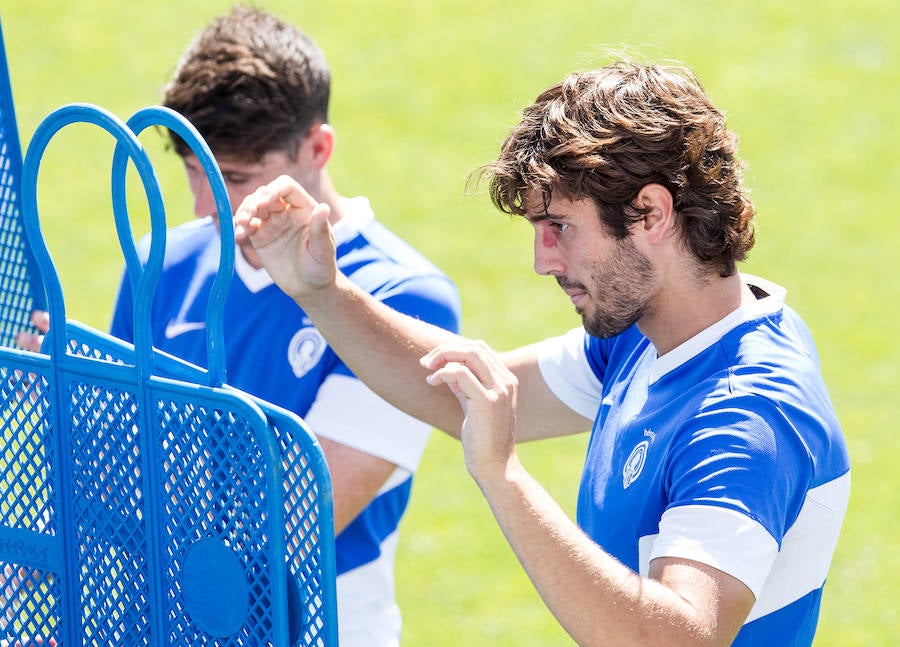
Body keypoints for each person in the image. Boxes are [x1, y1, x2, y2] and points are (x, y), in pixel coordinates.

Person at [232, 59, 851, 645]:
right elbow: (473, 396)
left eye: (560, 228)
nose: (541, 261)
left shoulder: (750, 414)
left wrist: (504, 476)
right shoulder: (648, 336)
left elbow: (677, 636)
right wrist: (325, 293)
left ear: (652, 213)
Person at [20, 6, 461, 646]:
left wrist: (100, 430)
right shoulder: (160, 263)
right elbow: (105, 512)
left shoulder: (407, 301)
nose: (205, 208)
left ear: (317, 148)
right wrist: (69, 417)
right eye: (193, 171)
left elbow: (290, 526)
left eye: (235, 178)